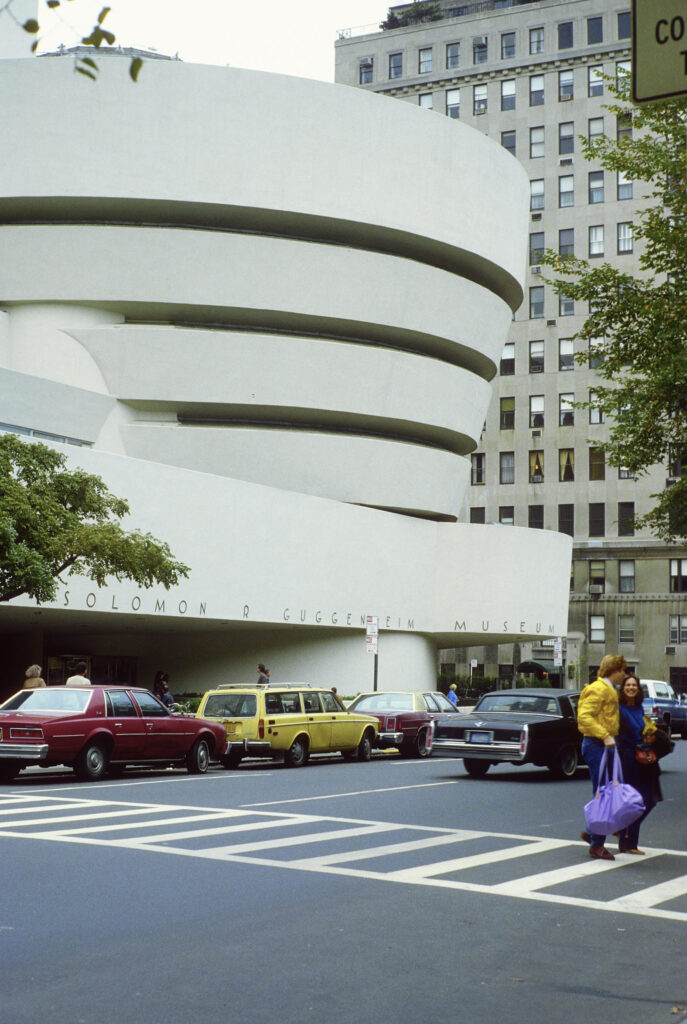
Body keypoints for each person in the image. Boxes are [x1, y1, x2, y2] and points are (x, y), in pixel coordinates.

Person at [577, 653, 627, 861]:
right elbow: (584, 717)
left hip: (604, 745)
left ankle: (593, 832)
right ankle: (596, 843)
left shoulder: (608, 689)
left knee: (611, 791)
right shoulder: (598, 689)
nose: (624, 675)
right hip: (598, 745)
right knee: (604, 795)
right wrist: (605, 735)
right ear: (614, 670)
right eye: (623, 670)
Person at [615, 675, 662, 855]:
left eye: (634, 685)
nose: (631, 688)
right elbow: (617, 734)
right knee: (634, 799)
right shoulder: (619, 709)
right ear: (623, 688)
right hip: (627, 756)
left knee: (649, 799)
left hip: (643, 755)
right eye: (628, 685)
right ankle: (628, 843)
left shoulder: (638, 707)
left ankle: (624, 833)